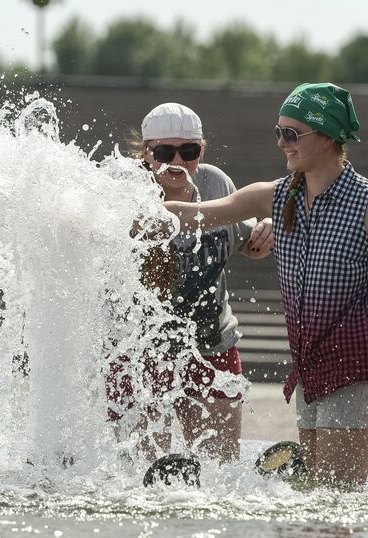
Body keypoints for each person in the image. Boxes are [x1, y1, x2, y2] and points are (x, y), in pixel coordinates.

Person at [164, 84, 368, 484]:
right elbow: (194, 213)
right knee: (315, 501)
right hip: (309, 373)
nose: (282, 143)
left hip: (353, 372)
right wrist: (111, 204)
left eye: (292, 134)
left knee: (335, 503)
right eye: (279, 132)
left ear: (326, 136)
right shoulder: (275, 196)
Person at [107, 102, 274, 463]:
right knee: (142, 474)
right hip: (138, 352)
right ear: (146, 153)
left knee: (220, 467)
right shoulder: (123, 187)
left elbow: (244, 241)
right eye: (165, 152)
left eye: (189, 151)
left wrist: (264, 233)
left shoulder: (215, 183)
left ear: (202, 150)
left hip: (210, 345)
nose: (178, 161)